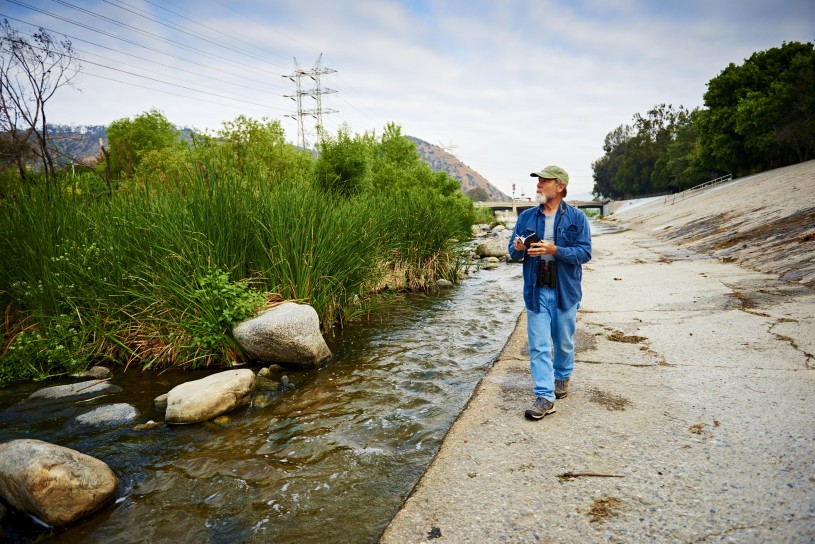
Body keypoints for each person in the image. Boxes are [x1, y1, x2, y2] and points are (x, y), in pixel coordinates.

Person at [507, 165, 592, 420]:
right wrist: (519, 248)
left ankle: (562, 377)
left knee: (564, 343)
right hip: (536, 289)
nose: (539, 185)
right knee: (539, 345)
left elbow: (584, 253)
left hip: (565, 289)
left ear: (560, 187)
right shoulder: (526, 217)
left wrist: (555, 250)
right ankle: (545, 396)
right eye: (538, 180)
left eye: (545, 181)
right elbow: (512, 253)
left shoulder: (577, 218)